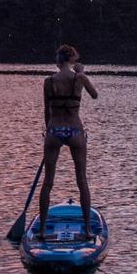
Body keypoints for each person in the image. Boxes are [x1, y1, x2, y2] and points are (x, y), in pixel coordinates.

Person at [40, 44, 99, 238]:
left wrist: (49, 132)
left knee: (48, 182)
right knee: (82, 180)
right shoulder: (79, 78)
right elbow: (94, 95)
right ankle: (88, 230)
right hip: (75, 130)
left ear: (59, 60)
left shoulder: (49, 81)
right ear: (72, 59)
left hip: (54, 130)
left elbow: (46, 112)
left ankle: (41, 230)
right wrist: (81, 73)